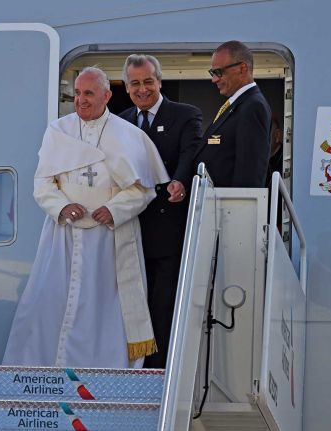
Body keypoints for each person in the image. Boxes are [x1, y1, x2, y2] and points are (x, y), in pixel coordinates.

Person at [3, 67, 169, 368]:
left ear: (106, 96)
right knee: (49, 301)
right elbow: (42, 183)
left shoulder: (128, 134)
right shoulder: (58, 131)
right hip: (63, 235)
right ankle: (43, 370)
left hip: (109, 238)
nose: (81, 100)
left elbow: (143, 190)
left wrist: (115, 209)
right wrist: (61, 207)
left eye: (88, 93)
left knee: (103, 308)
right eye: (77, 94)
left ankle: (106, 371)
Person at [118, 54, 203, 368]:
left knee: (162, 304)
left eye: (148, 81)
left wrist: (179, 180)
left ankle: (159, 369)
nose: (143, 89)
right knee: (131, 302)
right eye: (135, 83)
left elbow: (190, 151)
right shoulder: (121, 120)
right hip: (129, 229)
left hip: (167, 229)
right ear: (127, 88)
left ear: (160, 81)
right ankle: (131, 365)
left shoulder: (185, 114)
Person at [198, 40, 271, 187]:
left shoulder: (252, 106)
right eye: (212, 73)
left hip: (230, 206)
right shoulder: (238, 104)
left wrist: (240, 207)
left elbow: (249, 173)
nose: (214, 79)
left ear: (242, 68)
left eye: (218, 72)